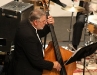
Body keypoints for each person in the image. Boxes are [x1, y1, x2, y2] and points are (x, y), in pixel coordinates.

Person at [8, 9, 61, 75]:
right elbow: (36, 61)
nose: (45, 22)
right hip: (26, 70)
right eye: (43, 21)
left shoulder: (27, 23)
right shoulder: (28, 36)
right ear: (35, 22)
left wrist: (49, 26)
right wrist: (53, 64)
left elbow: (38, 34)